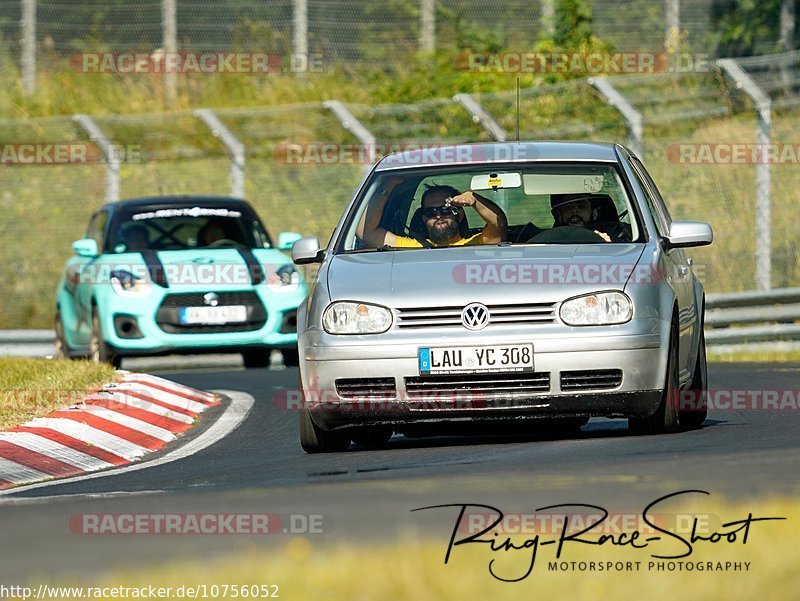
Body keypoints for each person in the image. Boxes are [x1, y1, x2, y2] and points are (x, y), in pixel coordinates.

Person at [358, 179, 507, 248]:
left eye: (446, 209)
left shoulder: (477, 244)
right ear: (423, 218)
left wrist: (475, 200)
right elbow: (366, 232)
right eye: (431, 212)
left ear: (460, 215)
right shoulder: (411, 247)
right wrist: (389, 184)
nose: (438, 216)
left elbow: (498, 223)